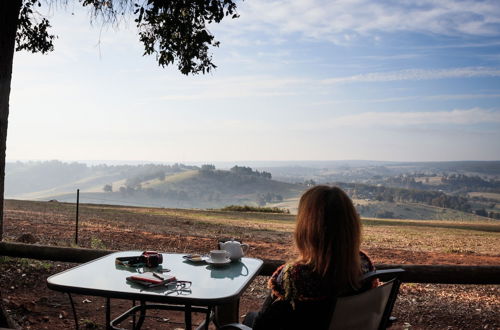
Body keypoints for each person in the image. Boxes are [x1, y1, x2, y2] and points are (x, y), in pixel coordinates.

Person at [246, 185, 377, 330]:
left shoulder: (293, 277)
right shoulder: (363, 265)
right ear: (351, 225)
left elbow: (261, 325)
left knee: (250, 318)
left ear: (306, 229)